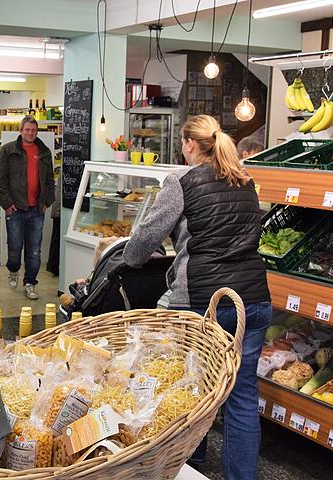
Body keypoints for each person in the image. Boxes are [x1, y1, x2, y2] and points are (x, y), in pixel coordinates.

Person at [122, 114, 271, 480]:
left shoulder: (181, 181)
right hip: (252, 299)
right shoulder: (245, 179)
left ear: (189, 144)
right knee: (242, 396)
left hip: (203, 303)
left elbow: (145, 239)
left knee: (192, 386)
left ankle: (190, 464)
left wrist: (130, 257)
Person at [0, 115, 55, 300]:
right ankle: (13, 270)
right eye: (27, 130)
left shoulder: (44, 152)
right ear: (20, 131)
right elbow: (0, 179)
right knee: (14, 248)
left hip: (37, 209)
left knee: (34, 250)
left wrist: (47, 201)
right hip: (16, 208)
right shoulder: (7, 150)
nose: (30, 133)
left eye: (34, 130)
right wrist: (7, 204)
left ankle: (30, 283)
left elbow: (50, 179)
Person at [46, 178, 61, 276]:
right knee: (57, 238)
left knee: (56, 238)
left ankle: (53, 266)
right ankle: (53, 266)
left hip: (58, 208)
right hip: (60, 209)